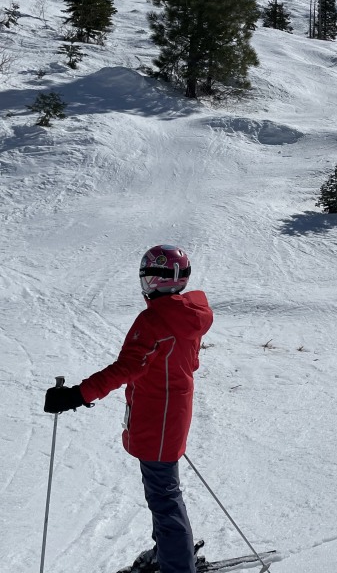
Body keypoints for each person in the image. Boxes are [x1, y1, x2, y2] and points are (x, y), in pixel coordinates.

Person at [44, 244, 214, 573]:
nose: (146, 285)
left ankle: (178, 565)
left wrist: (77, 395)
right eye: (146, 277)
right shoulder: (187, 317)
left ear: (162, 281)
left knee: (164, 497)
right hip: (169, 414)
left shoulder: (154, 320)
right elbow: (187, 363)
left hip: (158, 420)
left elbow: (127, 368)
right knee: (163, 492)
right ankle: (171, 550)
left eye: (151, 277)